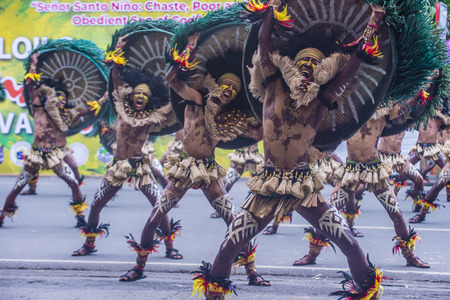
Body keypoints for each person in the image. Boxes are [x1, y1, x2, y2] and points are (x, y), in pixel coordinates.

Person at [193, 2, 388, 299]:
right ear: (292, 66)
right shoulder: (272, 84)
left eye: (314, 63)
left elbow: (355, 61)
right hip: (267, 185)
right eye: (303, 62)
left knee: (349, 243)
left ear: (322, 70)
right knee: (229, 246)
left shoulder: (323, 97)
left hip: (302, 185)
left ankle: (369, 293)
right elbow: (264, 41)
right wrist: (270, 8)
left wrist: (373, 24)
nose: (308, 66)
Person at [127, 27, 269, 286]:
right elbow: (172, 78)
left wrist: (265, 90)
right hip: (183, 169)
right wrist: (189, 48)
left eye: (233, 90)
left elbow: (259, 131)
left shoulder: (230, 118)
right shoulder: (196, 100)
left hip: (208, 171)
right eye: (225, 85)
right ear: (216, 85)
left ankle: (251, 272)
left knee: (235, 222)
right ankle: (139, 266)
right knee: (154, 218)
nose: (227, 90)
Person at [71, 35, 183, 273]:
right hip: (118, 166)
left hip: (141, 166)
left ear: (149, 99)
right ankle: (89, 243)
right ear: (131, 96)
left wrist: (177, 69)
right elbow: (116, 80)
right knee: (96, 205)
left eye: (145, 95)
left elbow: (174, 100)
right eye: (137, 94)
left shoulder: (151, 116)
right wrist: (118, 51)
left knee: (159, 206)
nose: (141, 97)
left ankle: (170, 246)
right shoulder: (121, 110)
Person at [295, 97, 431, 269]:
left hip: (374, 170)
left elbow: (406, 110)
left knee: (396, 214)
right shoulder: (350, 111)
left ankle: (410, 255)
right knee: (327, 214)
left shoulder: (385, 111)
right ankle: (312, 253)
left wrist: (423, 93)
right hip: (351, 171)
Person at [0, 51, 98, 227]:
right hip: (35, 155)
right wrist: (34, 62)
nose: (60, 102)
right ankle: (3, 215)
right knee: (17, 187)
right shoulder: (38, 108)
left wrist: (104, 97)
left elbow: (86, 111)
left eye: (63, 100)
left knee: (74, 184)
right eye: (57, 98)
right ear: (50, 98)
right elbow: (30, 85)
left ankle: (80, 216)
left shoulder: (63, 117)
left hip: (54, 155)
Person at [210, 143, 264, 218]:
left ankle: (247, 209)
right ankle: (222, 209)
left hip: (254, 154)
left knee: (259, 182)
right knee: (229, 180)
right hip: (240, 154)